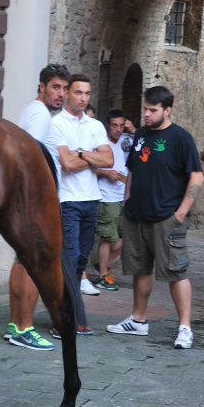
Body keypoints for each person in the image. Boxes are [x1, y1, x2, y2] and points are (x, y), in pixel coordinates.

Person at [106, 86, 204, 349]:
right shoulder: (139, 134)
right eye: (145, 109)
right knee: (140, 268)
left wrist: (180, 213)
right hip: (137, 215)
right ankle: (138, 320)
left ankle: (185, 327)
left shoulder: (180, 138)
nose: (146, 114)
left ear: (167, 110)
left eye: (153, 110)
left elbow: (196, 175)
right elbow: (133, 170)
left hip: (166, 218)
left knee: (176, 271)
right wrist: (127, 202)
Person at [5, 64, 70, 351]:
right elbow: (28, 158)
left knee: (21, 262)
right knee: (35, 265)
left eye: (65, 89)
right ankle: (25, 328)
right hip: (33, 201)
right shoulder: (41, 116)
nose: (62, 94)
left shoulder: (32, 111)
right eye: (56, 87)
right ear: (41, 86)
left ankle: (15, 324)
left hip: (24, 200)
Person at [47, 73, 113, 334]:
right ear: (67, 94)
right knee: (71, 258)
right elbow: (67, 164)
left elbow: (109, 161)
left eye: (87, 93)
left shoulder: (95, 125)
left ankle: (71, 312)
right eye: (78, 93)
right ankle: (63, 318)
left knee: (82, 260)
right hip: (68, 201)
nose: (83, 98)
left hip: (91, 199)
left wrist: (83, 153)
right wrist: (93, 156)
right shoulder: (57, 124)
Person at [91, 109, 133, 291]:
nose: (117, 129)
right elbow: (90, 168)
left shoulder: (126, 140)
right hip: (106, 197)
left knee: (125, 238)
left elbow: (147, 142)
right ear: (108, 125)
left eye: (121, 125)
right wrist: (106, 172)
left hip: (123, 196)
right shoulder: (101, 143)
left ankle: (101, 266)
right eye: (114, 125)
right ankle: (103, 276)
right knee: (108, 238)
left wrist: (132, 129)